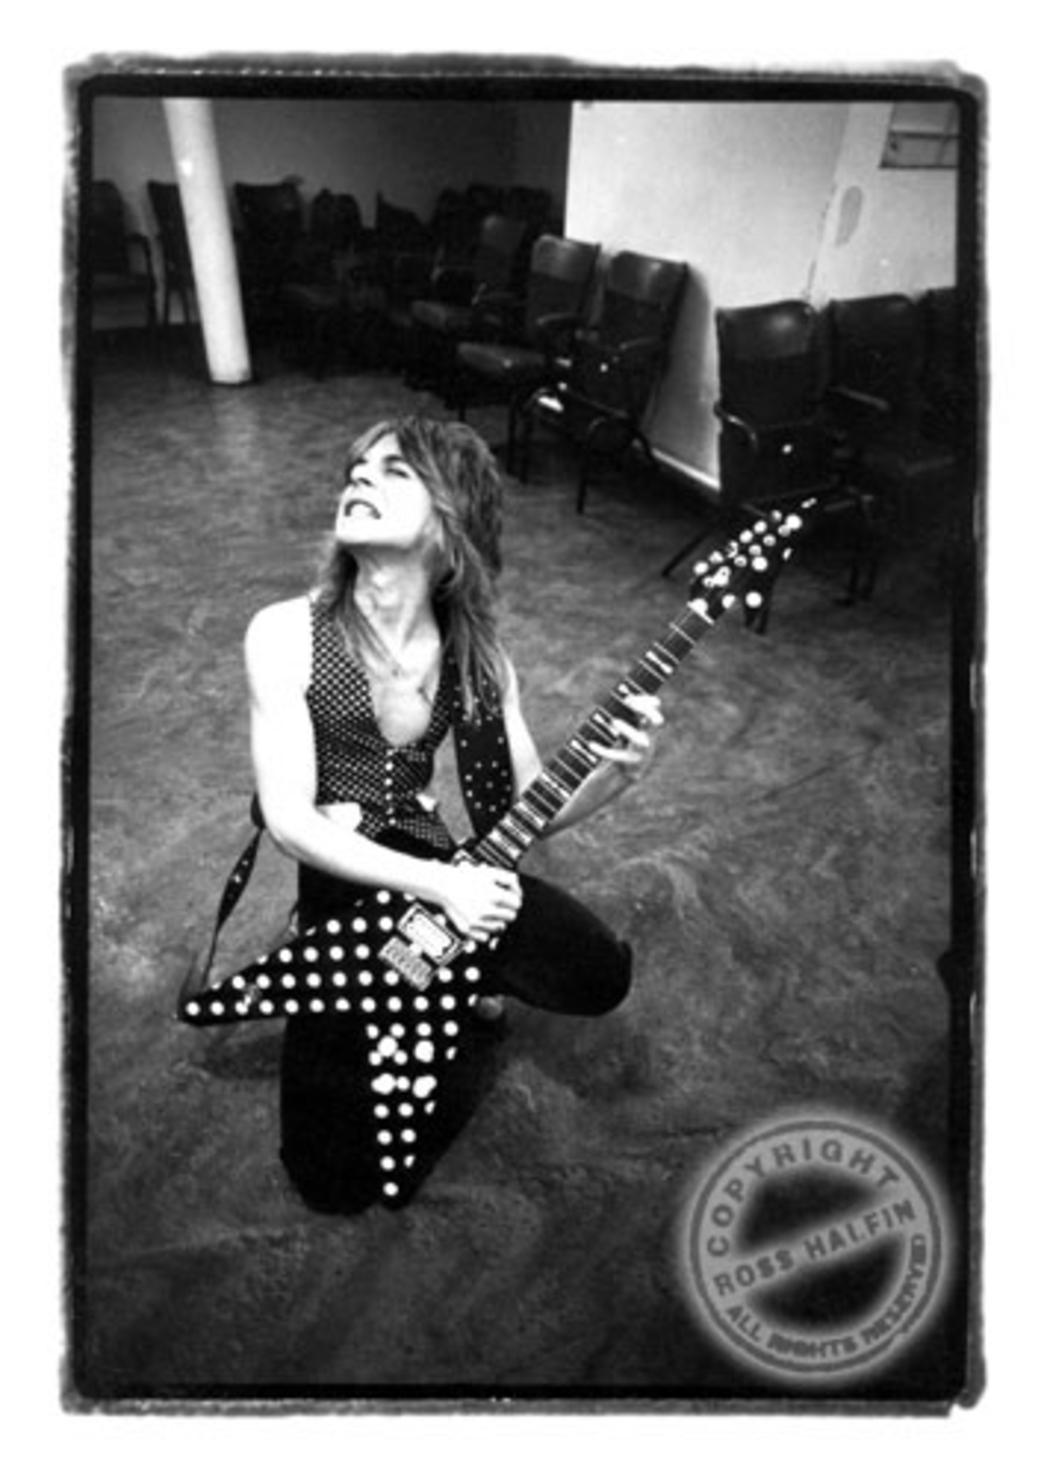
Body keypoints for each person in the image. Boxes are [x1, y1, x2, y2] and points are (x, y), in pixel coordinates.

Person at [245, 415, 663, 1211]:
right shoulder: (287, 633)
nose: (359, 477)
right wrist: (445, 888)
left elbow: (524, 805)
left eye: (393, 470)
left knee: (600, 973)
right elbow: (290, 819)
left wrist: (616, 778)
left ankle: (464, 976)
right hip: (344, 877)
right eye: (357, 466)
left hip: (437, 860)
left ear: (451, 519)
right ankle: (438, 978)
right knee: (331, 1184)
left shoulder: (477, 657)